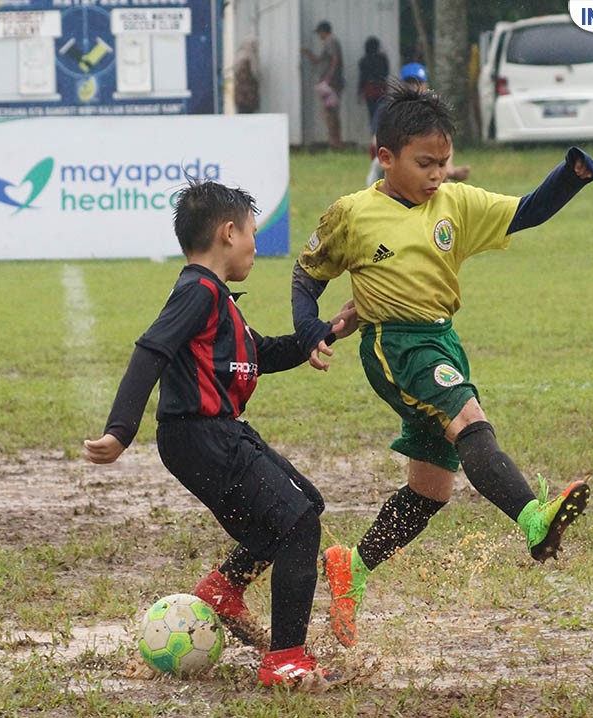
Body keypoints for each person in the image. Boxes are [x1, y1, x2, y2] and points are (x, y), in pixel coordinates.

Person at [291, 83, 593, 648]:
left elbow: (525, 212)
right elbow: (308, 273)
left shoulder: (453, 203)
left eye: (444, 162)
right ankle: (533, 520)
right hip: (396, 348)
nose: (437, 174)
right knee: (469, 419)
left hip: (441, 340)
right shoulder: (353, 214)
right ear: (384, 157)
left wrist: (570, 177)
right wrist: (309, 328)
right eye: (424, 163)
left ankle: (350, 567)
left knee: (431, 489)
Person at [83, 180, 357, 688]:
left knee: (303, 508)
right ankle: (286, 662)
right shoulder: (199, 291)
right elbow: (151, 351)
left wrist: (329, 330)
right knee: (296, 525)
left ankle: (224, 591)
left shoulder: (216, 300)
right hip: (202, 435)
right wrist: (121, 430)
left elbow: (265, 353)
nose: (256, 243)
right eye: (252, 232)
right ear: (229, 233)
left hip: (210, 436)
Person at [365, 64, 471, 187]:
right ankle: (372, 196)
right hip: (397, 153)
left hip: (428, 154)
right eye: (409, 83)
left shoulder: (433, 107)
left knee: (438, 176)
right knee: (378, 166)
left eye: (418, 82)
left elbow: (444, 138)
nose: (414, 87)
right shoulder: (389, 107)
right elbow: (376, 138)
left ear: (426, 85)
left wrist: (448, 167)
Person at [302, 20, 345, 149]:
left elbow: (335, 59)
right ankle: (334, 141)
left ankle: (335, 143)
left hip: (331, 85)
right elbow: (319, 61)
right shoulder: (327, 43)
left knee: (331, 113)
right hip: (329, 84)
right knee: (330, 113)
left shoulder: (331, 41)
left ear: (323, 31)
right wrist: (308, 53)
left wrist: (328, 78)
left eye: (319, 33)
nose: (319, 36)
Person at [358, 36, 390, 128]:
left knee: (372, 114)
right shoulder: (383, 59)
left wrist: (359, 92)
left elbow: (362, 77)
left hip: (370, 89)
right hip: (382, 88)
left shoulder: (364, 60)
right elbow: (386, 73)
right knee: (382, 115)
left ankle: (374, 136)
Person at [233, 37, 260, 114]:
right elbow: (255, 72)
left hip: (242, 96)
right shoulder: (248, 57)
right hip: (247, 95)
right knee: (247, 113)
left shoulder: (239, 56)